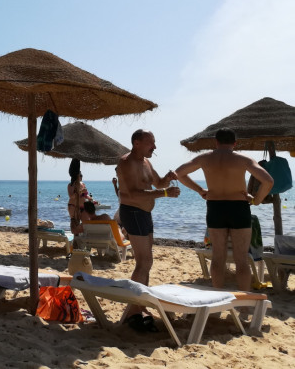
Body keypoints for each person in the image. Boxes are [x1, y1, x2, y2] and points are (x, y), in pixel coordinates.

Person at [175, 128, 274, 291]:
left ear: (216, 142)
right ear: (235, 143)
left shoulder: (204, 158)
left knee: (218, 257)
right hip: (239, 207)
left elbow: (178, 173)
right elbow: (268, 181)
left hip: (215, 207)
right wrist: (255, 200)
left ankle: (217, 296)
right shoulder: (243, 159)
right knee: (241, 259)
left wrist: (200, 190)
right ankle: (244, 300)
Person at [116, 129, 179, 332]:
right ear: (136, 143)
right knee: (144, 262)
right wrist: (165, 193)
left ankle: (140, 305)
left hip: (144, 213)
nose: (155, 147)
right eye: (150, 143)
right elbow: (133, 194)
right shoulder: (126, 163)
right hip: (133, 212)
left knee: (147, 262)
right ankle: (134, 310)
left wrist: (167, 179)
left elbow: (157, 183)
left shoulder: (146, 162)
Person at [67, 159, 88, 235]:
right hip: (73, 206)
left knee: (86, 223)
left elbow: (84, 195)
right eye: (79, 175)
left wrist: (89, 198)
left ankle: (83, 237)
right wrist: (81, 191)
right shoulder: (71, 185)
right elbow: (71, 197)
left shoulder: (82, 184)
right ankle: (76, 239)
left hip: (82, 206)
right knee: (75, 224)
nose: (80, 177)